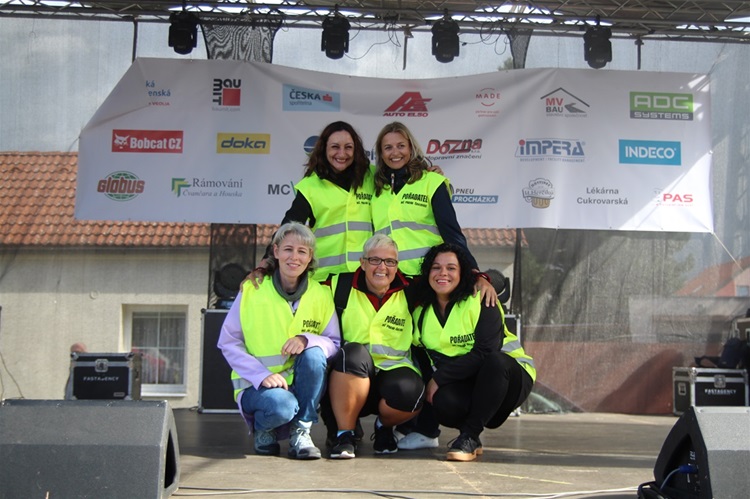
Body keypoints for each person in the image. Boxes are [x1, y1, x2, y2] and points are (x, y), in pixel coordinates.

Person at [371, 121, 498, 448]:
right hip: (393, 284)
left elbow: (453, 234)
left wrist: (476, 274)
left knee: (424, 353)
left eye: (401, 146)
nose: (395, 153)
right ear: (380, 153)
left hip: (427, 282)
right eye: (388, 147)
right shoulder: (376, 188)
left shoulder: (432, 182)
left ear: (411, 147)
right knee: (402, 352)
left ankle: (428, 431)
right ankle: (406, 423)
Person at [218, 222, 341, 460]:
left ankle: (301, 431)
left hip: (298, 387)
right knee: (282, 406)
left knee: (315, 353)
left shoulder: (321, 294)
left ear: (310, 257)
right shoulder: (252, 290)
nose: (294, 257)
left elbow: (333, 343)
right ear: (275, 252)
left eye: (302, 251)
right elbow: (228, 342)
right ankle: (263, 428)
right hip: (256, 386)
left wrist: (306, 340)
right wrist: (261, 375)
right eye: (288, 249)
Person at [411, 242, 536, 462]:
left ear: (463, 274)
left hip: (510, 379)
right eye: (436, 267)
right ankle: (471, 435)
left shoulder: (481, 299)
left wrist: (438, 378)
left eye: (451, 268)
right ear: (427, 273)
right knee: (443, 401)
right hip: (469, 381)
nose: (443, 273)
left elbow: (486, 352)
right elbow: (421, 353)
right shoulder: (421, 313)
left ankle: (469, 436)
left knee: (496, 361)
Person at [325, 234, 424, 459]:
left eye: (390, 261)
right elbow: (300, 287)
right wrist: (264, 270)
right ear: (362, 262)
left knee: (411, 393)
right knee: (353, 353)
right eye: (375, 260)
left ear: (397, 266)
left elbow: (448, 285)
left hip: (392, 372)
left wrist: (481, 280)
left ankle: (383, 427)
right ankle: (345, 434)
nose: (382, 267)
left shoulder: (411, 289)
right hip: (349, 377)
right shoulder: (338, 285)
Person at [255, 121, 374, 282]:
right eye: (335, 147)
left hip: (363, 275)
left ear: (356, 150)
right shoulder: (310, 186)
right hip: (325, 277)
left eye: (348, 147)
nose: (342, 153)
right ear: (324, 149)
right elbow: (288, 227)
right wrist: (266, 262)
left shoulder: (372, 178)